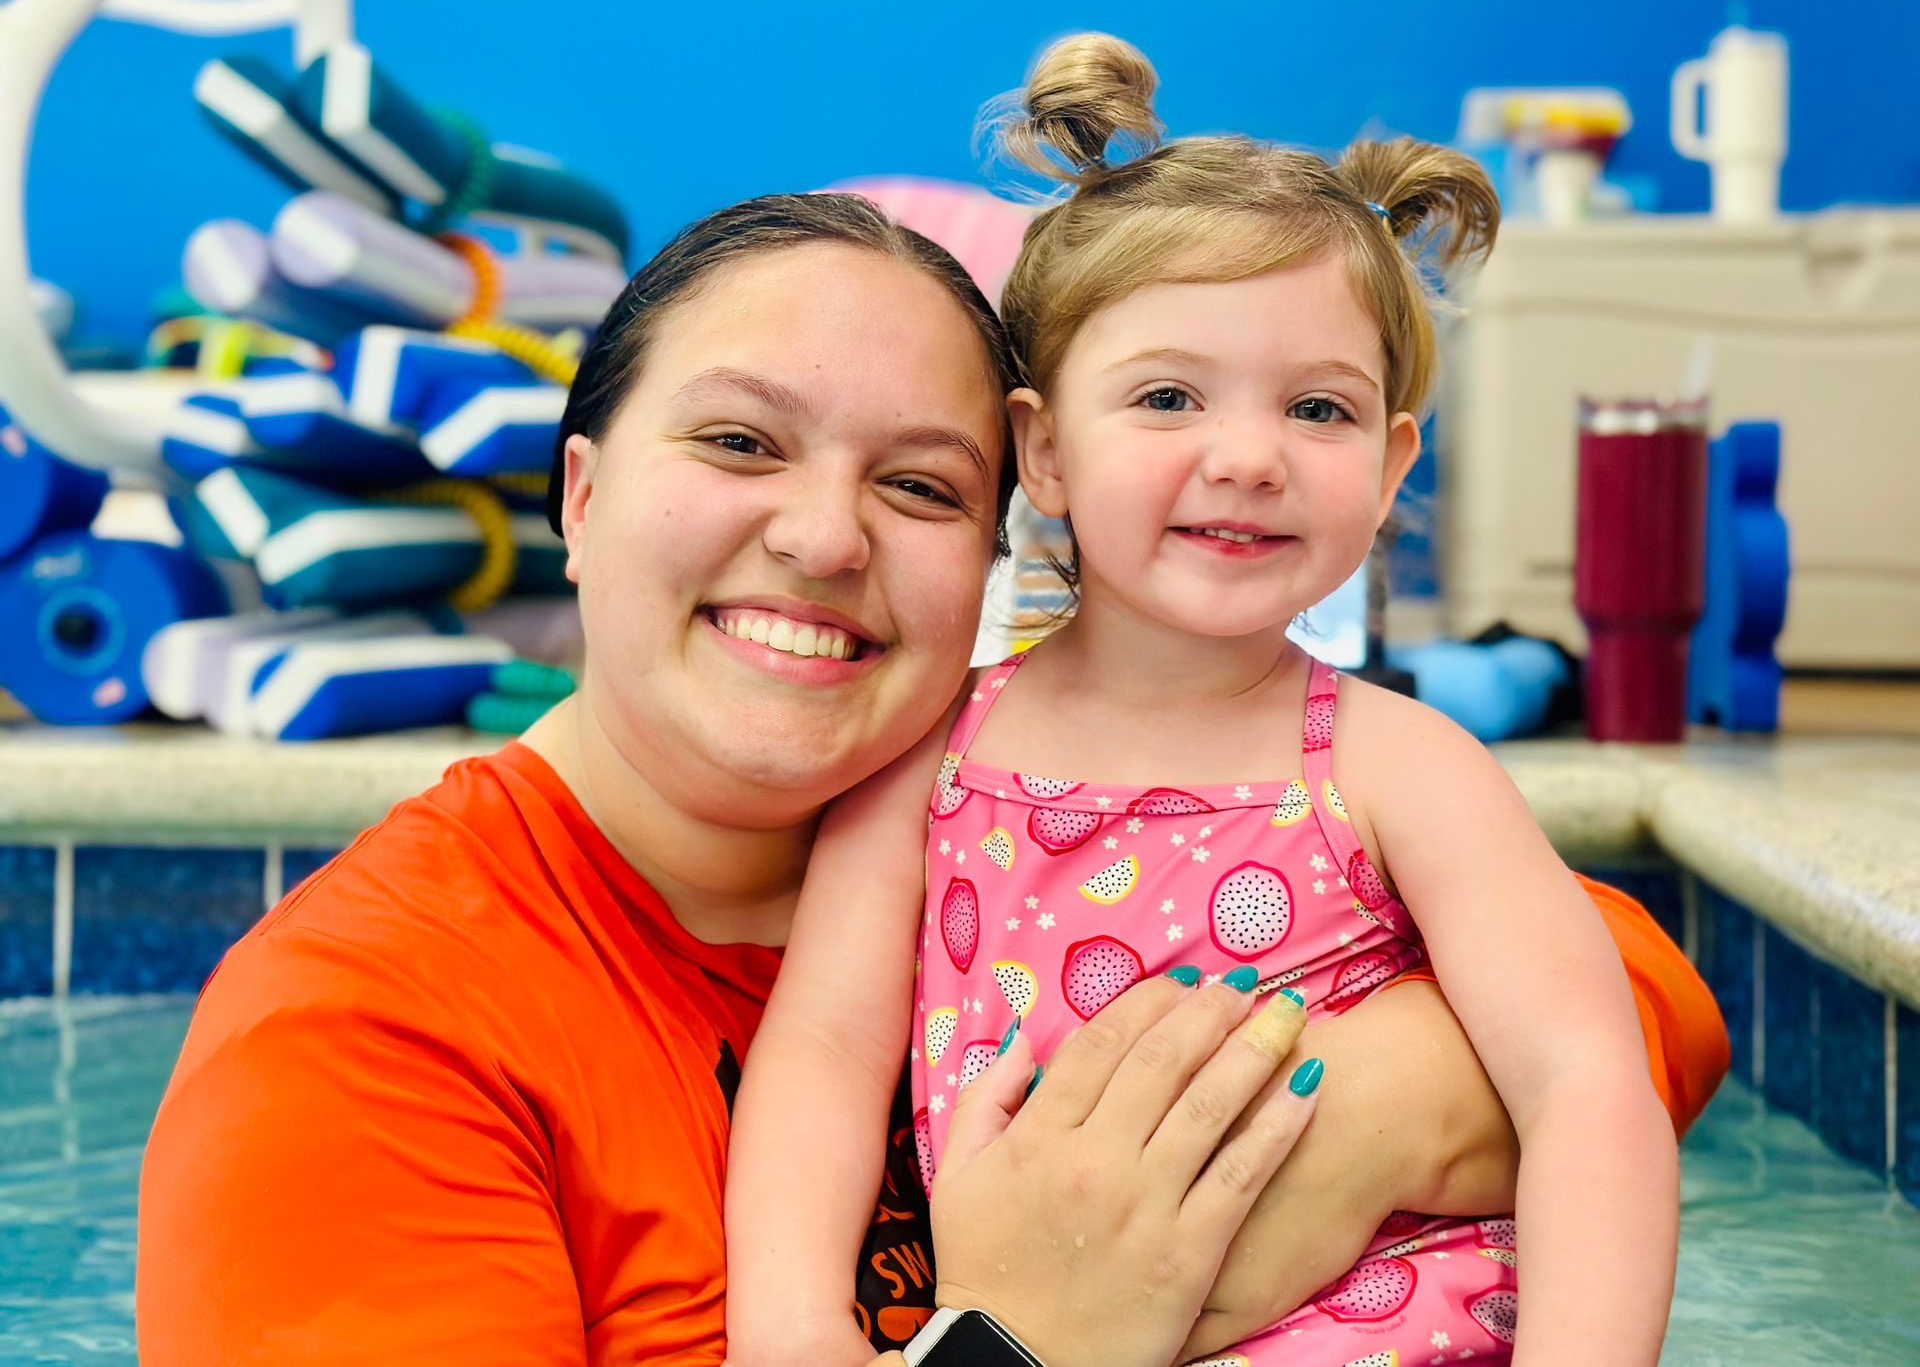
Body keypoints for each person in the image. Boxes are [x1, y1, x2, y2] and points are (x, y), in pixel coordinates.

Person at [136, 191, 1723, 1367]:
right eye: (743, 445)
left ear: (995, 532)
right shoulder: (361, 1033)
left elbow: (1643, 997)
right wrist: (1025, 1337)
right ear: (584, 487)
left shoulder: (1174, 784)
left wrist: (1361, 1121)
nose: (826, 540)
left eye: (915, 484)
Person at [724, 35, 1705, 1367]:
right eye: (1170, 396)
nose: (1249, 458)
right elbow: (827, 1056)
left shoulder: (1398, 770)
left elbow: (1589, 1085)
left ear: (1391, 458)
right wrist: (790, 1329)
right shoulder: (928, 764)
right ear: (1046, 449)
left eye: (1319, 409)